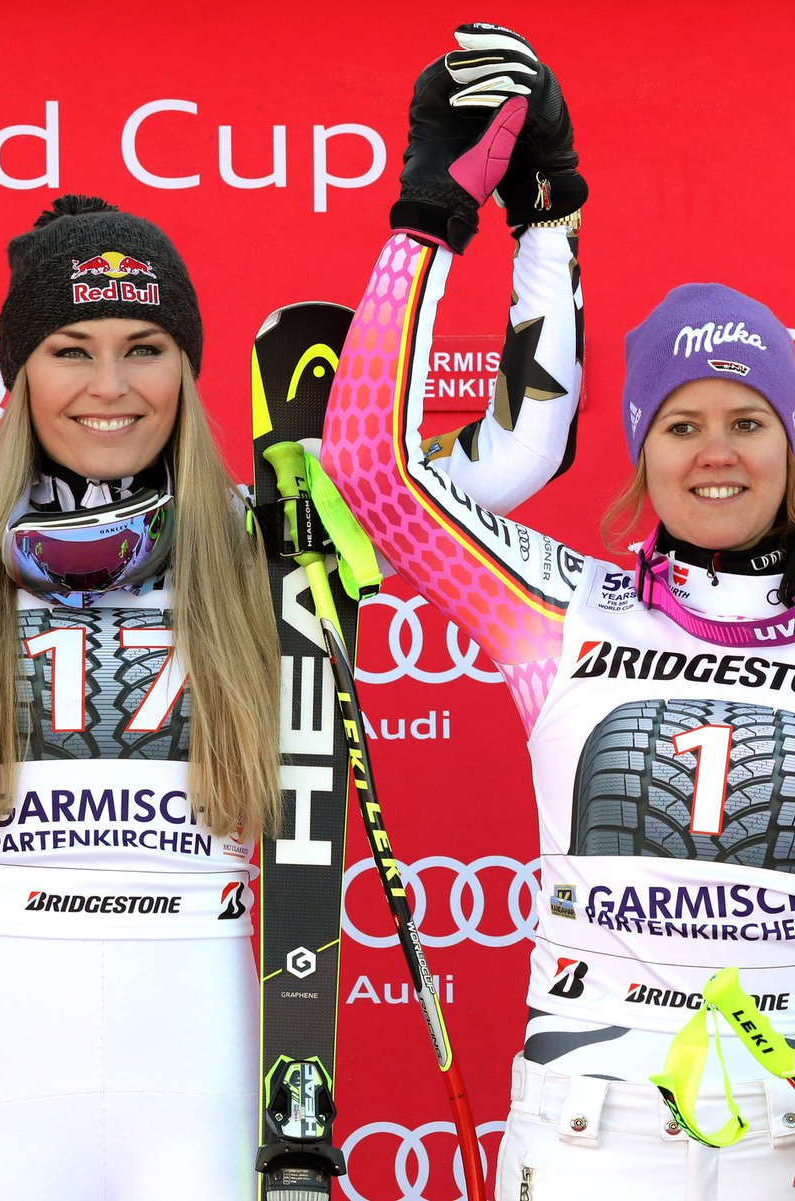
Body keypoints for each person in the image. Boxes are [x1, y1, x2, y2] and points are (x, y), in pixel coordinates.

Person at [0, 74, 579, 1201]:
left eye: (147, 347)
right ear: (15, 371)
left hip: (196, 1043)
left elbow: (526, 446)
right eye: (70, 348)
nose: (111, 386)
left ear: (189, 365)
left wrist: (542, 221)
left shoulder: (280, 527)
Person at [323, 23, 795, 1201]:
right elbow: (372, 470)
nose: (717, 454)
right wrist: (445, 216)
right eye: (681, 425)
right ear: (644, 452)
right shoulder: (565, 607)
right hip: (598, 1133)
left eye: (751, 420)